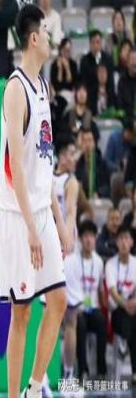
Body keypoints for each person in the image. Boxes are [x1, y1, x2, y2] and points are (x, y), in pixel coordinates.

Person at [0, 5, 70, 398]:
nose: (52, 39)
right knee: (21, 311)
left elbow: (44, 161)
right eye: (46, 32)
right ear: (33, 38)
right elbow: (15, 170)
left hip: (41, 211)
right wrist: (31, 228)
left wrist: (58, 220)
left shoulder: (43, 86)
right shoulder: (15, 89)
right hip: (17, 216)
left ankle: (34, 388)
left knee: (58, 300)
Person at [73, 220, 107, 380]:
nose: (89, 240)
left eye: (92, 236)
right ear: (80, 239)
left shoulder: (99, 262)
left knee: (101, 321)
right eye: (85, 236)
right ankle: (83, 370)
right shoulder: (73, 261)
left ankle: (101, 370)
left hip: (93, 308)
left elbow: (100, 289)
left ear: (95, 238)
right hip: (77, 309)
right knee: (80, 324)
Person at [105, 225, 136, 384]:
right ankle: (123, 344)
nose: (124, 242)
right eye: (121, 238)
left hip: (134, 307)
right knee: (124, 317)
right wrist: (126, 305)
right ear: (116, 242)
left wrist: (134, 303)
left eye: (127, 238)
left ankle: (133, 368)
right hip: (117, 309)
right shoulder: (110, 264)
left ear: (132, 242)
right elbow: (112, 292)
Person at [80, 30, 115, 114]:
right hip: (91, 95)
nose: (95, 45)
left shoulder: (108, 59)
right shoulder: (85, 60)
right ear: (89, 44)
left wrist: (104, 90)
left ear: (101, 43)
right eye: (93, 42)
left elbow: (111, 81)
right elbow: (84, 81)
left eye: (98, 42)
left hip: (106, 94)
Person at [52, 141, 79, 251]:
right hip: (50, 230)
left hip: (65, 231)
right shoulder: (48, 176)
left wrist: (66, 239)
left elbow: (71, 213)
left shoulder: (71, 181)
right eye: (72, 154)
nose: (75, 159)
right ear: (62, 157)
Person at [75, 128, 110, 198]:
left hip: (98, 198)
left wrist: (98, 193)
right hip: (82, 199)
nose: (87, 144)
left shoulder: (101, 162)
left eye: (90, 140)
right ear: (81, 144)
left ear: (94, 143)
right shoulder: (78, 163)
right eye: (84, 141)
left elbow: (107, 187)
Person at [117, 48, 136, 118]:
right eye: (132, 59)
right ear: (127, 63)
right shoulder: (122, 81)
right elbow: (121, 106)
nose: (135, 63)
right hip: (128, 119)